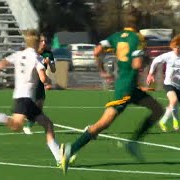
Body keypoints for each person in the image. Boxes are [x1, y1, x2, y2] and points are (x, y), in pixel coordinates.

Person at [60, 15, 164, 175]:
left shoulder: (115, 37)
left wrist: (102, 71)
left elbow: (97, 51)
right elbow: (136, 64)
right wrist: (145, 60)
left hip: (127, 86)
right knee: (103, 124)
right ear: (140, 24)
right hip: (127, 88)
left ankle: (133, 143)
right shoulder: (139, 38)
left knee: (158, 110)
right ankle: (70, 149)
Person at [0, 29, 62, 166]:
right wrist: (48, 81)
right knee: (18, 125)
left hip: (21, 97)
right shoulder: (38, 58)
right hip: (26, 98)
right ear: (36, 44)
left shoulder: (18, 54)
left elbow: (0, 64)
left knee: (46, 124)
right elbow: (42, 77)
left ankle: (60, 158)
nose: (43, 44)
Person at [146, 34, 180, 132]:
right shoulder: (168, 56)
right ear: (172, 47)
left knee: (173, 105)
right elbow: (155, 61)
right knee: (174, 101)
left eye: (179, 47)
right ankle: (168, 121)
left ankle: (169, 121)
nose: (176, 49)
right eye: (175, 47)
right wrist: (150, 74)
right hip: (169, 84)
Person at [23, 34, 56, 135]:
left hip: (41, 82)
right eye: (42, 41)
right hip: (32, 81)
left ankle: (28, 125)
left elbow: (54, 70)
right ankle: (26, 124)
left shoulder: (48, 54)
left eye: (45, 41)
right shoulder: (32, 53)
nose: (44, 43)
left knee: (39, 106)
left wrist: (49, 63)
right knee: (33, 106)